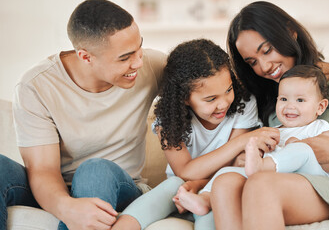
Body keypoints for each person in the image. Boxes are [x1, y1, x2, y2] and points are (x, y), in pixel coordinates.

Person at [0, 0, 167, 230]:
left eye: (140, 47)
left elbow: (208, 85)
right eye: (125, 57)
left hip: (120, 186)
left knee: (93, 170)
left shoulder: (152, 66)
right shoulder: (36, 86)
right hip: (57, 190)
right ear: (86, 57)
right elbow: (43, 171)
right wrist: (67, 208)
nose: (138, 62)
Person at [210, 1, 329, 230]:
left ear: (290, 33)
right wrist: (242, 159)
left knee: (261, 184)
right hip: (287, 182)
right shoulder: (271, 100)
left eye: (266, 50)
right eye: (252, 62)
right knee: (226, 183)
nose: (264, 66)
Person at [114, 39, 278, 230]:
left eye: (228, 90)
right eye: (211, 99)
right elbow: (184, 171)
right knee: (173, 184)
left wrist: (200, 184)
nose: (224, 103)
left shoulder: (244, 103)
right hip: (180, 192)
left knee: (217, 195)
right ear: (184, 98)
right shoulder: (169, 118)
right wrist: (242, 141)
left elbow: (231, 167)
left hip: (217, 188)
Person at [175, 65, 329, 217]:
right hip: (282, 188)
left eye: (300, 100)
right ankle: (205, 199)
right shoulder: (273, 133)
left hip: (320, 186)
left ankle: (260, 166)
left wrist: (298, 148)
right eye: (283, 99)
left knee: (302, 150)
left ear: (320, 106)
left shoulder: (320, 129)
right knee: (228, 171)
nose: (290, 106)